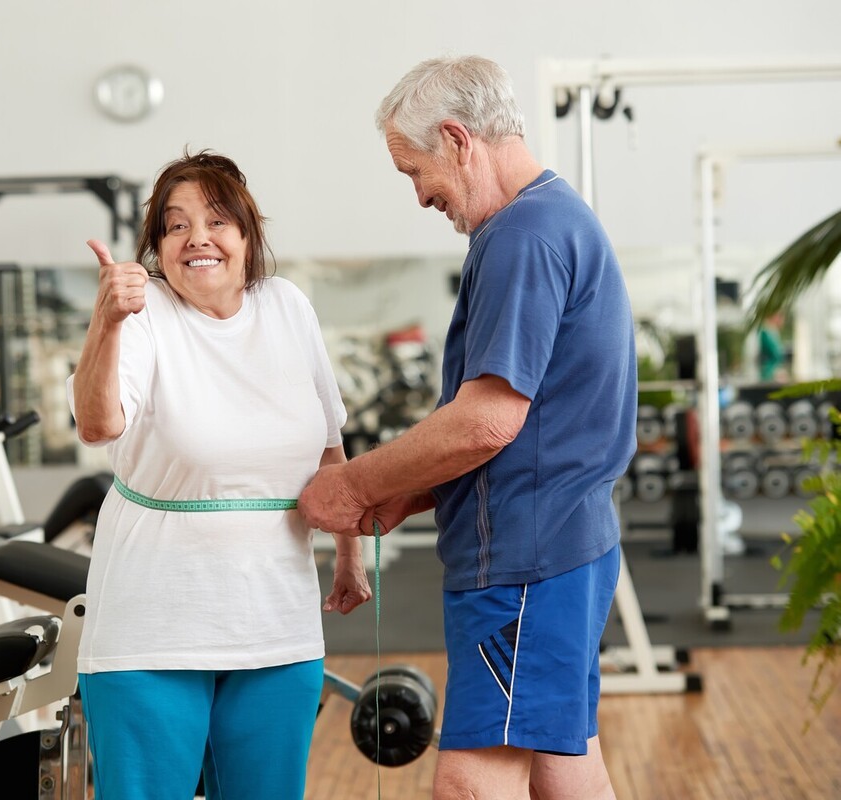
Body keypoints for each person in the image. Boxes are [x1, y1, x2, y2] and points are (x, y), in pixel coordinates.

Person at [297, 56, 637, 800]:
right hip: (556, 549)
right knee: (560, 767)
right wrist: (408, 494)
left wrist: (352, 483)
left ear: (457, 138)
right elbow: (530, 422)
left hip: (525, 560)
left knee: (470, 784)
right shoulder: (550, 218)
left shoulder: (523, 234)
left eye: (413, 171)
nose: (420, 195)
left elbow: (486, 423)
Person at [68, 150, 371, 800]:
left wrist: (349, 555)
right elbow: (97, 425)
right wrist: (107, 321)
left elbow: (327, 444)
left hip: (275, 624)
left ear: (246, 235)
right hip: (151, 630)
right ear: (155, 247)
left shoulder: (287, 306)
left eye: (215, 221)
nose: (197, 237)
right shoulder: (143, 310)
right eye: (175, 226)